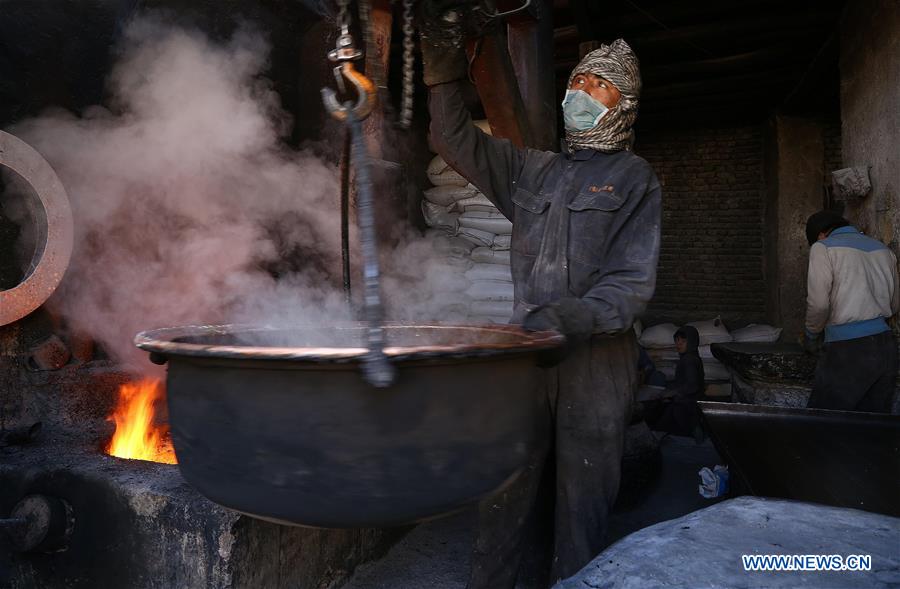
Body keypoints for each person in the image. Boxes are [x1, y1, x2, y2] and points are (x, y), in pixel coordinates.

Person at [421, 13, 662, 586]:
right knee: (507, 491)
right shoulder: (534, 169)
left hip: (596, 364)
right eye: (574, 82)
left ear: (623, 101)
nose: (578, 92)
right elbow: (453, 140)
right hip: (526, 358)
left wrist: (568, 317)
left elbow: (631, 284)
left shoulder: (634, 179)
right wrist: (443, 74)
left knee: (582, 499)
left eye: (595, 84)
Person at [803, 210, 899, 412]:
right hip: (885, 346)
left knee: (822, 422)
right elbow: (894, 304)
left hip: (847, 349)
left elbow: (819, 304)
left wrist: (811, 334)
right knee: (871, 427)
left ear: (820, 234)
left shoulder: (822, 248)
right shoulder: (883, 250)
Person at [644, 325, 704, 435]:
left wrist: (669, 394)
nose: (679, 344)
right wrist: (667, 392)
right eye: (677, 340)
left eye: (683, 341)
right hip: (686, 402)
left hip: (686, 406)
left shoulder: (689, 360)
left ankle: (694, 429)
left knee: (658, 428)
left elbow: (692, 386)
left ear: (692, 342)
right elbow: (682, 383)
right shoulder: (690, 357)